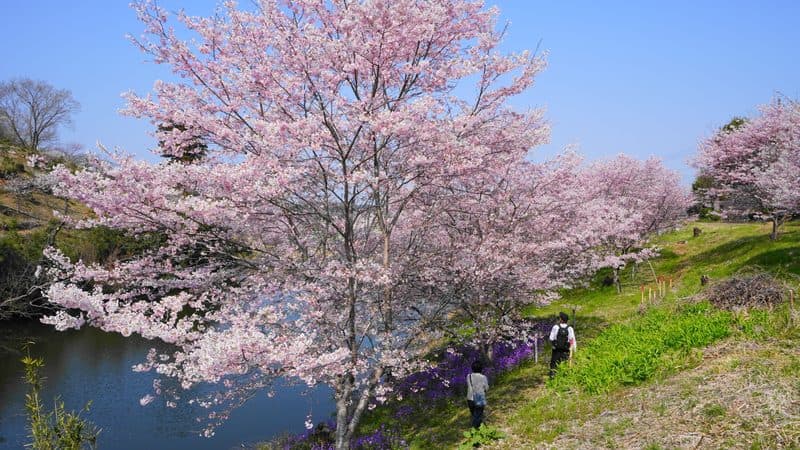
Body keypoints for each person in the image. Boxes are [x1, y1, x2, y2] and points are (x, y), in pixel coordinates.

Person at [549, 312, 576, 378]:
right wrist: (574, 349)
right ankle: (565, 375)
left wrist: (553, 344)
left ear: (561, 319)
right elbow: (572, 339)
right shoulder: (570, 328)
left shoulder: (555, 327)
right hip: (565, 349)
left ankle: (553, 374)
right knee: (565, 362)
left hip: (556, 348)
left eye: (559, 318)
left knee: (554, 362)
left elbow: (551, 338)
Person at [466, 360, 489, 429]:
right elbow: (487, 388)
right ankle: (476, 429)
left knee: (474, 414)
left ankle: (478, 427)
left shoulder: (468, 376)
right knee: (478, 415)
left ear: (472, 368)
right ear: (481, 368)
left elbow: (469, 385)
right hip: (479, 398)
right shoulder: (483, 377)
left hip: (470, 398)